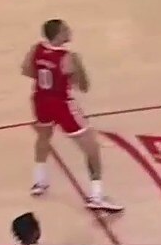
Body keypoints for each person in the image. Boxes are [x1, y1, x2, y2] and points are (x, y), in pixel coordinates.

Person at [22, 18, 123, 212]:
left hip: (41, 100)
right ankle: (97, 196)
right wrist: (78, 68)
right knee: (92, 148)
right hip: (62, 105)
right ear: (59, 35)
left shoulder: (36, 49)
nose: (70, 31)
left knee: (43, 137)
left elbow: (27, 70)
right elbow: (84, 87)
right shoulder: (69, 57)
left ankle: (39, 181)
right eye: (66, 30)